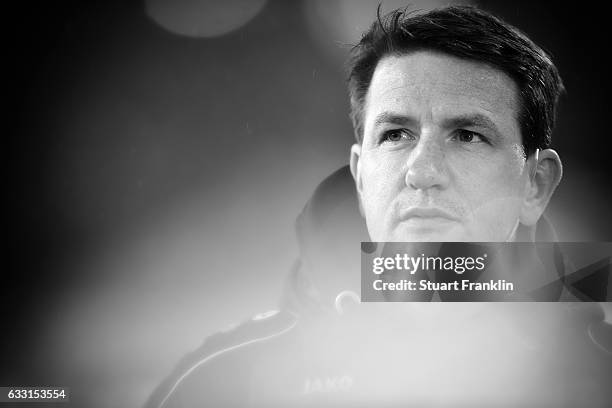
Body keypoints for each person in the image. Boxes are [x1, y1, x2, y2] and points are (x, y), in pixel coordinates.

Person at [144, 5, 611, 408]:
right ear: (360, 175)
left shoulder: (600, 375)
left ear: (536, 184)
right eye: (395, 135)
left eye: (468, 135)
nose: (422, 171)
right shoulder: (224, 382)